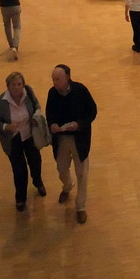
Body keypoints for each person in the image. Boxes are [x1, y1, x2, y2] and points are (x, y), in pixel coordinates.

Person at [46, 64, 97, 225]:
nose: (54, 83)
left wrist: (79, 124)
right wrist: (52, 124)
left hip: (79, 139)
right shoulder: (52, 93)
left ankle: (80, 207)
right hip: (61, 139)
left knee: (82, 173)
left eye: (57, 79)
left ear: (67, 77)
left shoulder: (80, 91)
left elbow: (92, 111)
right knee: (61, 169)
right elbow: (49, 114)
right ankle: (67, 186)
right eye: (53, 79)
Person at [0, 72, 47, 211]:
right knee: (19, 170)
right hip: (13, 140)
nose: (17, 88)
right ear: (8, 86)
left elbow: (37, 105)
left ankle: (38, 182)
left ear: (23, 85)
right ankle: (20, 198)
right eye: (13, 85)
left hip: (29, 136)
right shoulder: (1, 102)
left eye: (19, 84)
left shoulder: (28, 93)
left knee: (35, 161)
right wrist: (6, 126)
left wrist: (36, 115)